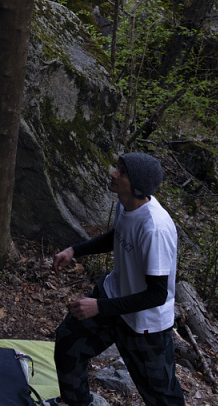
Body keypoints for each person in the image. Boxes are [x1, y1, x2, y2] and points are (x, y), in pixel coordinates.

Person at [49, 153, 185, 406]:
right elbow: (118, 236)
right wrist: (75, 250)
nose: (112, 173)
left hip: (145, 323)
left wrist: (99, 307)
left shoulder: (155, 228)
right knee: (70, 342)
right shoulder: (126, 205)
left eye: (121, 172)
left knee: (161, 395)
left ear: (137, 186)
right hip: (112, 293)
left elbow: (157, 294)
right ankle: (76, 402)